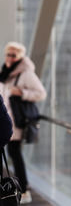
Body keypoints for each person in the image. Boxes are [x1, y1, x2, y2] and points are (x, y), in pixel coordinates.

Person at [0, 42, 46, 204]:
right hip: (6, 119)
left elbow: (41, 93)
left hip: (16, 122)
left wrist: (22, 92)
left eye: (14, 55)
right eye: (8, 54)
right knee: (11, 154)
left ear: (20, 57)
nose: (10, 58)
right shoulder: (5, 72)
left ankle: (24, 190)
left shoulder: (26, 73)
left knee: (15, 155)